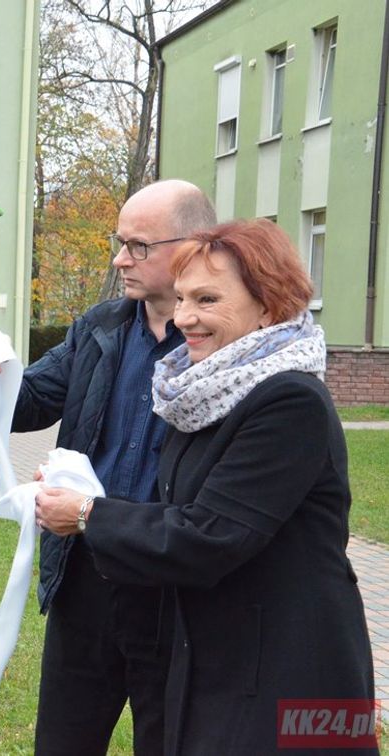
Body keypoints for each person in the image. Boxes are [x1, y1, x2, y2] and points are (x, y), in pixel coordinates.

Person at [36, 218, 375, 754]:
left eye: (208, 299)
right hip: (217, 656)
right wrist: (74, 487)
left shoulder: (289, 401)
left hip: (291, 669)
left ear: (268, 305)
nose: (186, 317)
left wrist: (86, 515)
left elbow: (209, 534)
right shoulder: (200, 395)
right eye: (182, 298)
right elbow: (177, 507)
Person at [0, 179, 217, 754]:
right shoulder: (100, 328)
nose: (119, 258)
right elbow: (28, 404)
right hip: (85, 576)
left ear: (193, 245)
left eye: (138, 246)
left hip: (174, 588)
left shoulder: (217, 343)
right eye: (118, 241)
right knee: (65, 740)